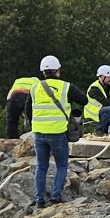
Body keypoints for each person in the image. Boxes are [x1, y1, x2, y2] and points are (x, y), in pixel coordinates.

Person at [28, 57, 89, 208]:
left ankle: (39, 201)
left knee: (41, 167)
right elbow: (84, 101)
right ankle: (55, 198)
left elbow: (27, 110)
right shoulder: (66, 87)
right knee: (61, 166)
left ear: (43, 72)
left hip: (38, 133)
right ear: (58, 71)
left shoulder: (34, 88)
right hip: (58, 133)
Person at [4, 75, 34, 139]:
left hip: (14, 95)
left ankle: (12, 140)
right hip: (29, 95)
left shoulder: (17, 82)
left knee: (11, 121)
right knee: (34, 119)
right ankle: (35, 137)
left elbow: (8, 98)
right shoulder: (38, 82)